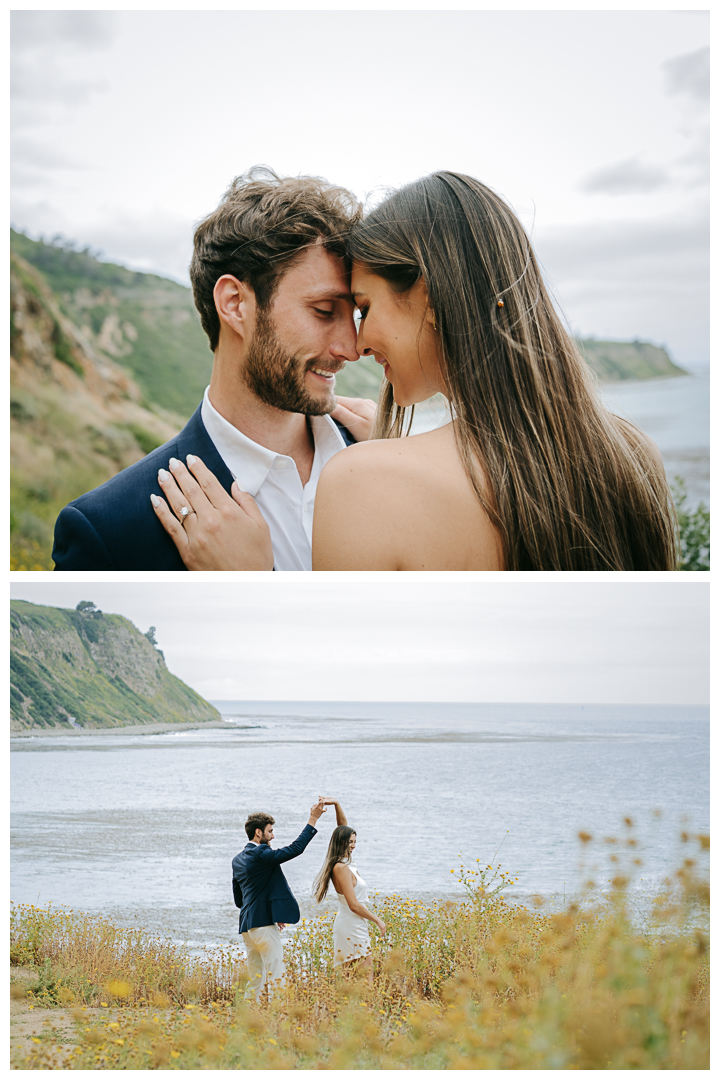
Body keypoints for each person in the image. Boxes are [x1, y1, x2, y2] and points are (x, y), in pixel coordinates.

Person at [155, 170, 678, 571]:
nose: (355, 344)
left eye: (363, 307)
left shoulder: (364, 480)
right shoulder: (633, 455)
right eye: (326, 311)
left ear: (427, 296)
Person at [51, 166, 375, 571]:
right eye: (324, 311)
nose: (352, 347)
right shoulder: (108, 531)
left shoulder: (385, 456)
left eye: (356, 315)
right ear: (236, 304)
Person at [232, 801, 326, 1001]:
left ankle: (246, 1019)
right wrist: (313, 819)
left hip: (247, 927)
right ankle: (280, 1020)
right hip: (264, 926)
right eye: (270, 831)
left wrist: (274, 910)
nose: (273, 835)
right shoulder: (262, 853)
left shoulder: (237, 859)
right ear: (259, 833)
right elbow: (295, 849)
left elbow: (239, 899)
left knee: (255, 978)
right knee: (277, 975)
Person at [313, 799, 385, 983]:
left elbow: (342, 827)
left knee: (352, 981)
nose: (353, 845)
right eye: (350, 842)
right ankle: (362, 1010)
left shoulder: (346, 862)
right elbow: (353, 905)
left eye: (354, 841)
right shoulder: (341, 868)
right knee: (365, 978)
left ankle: (349, 1011)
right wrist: (377, 920)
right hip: (351, 925)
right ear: (341, 842)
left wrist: (336, 804)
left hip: (354, 924)